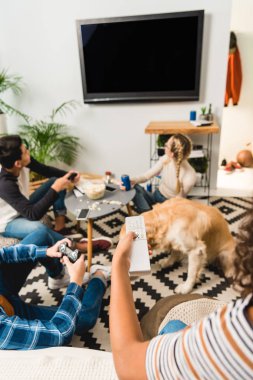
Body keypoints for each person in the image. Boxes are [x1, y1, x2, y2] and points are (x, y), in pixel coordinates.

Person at [110, 211, 253, 380]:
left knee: (168, 324)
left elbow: (126, 364)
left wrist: (119, 264)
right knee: (176, 327)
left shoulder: (239, 329)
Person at [0, 135, 112, 256]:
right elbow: (32, 214)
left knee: (55, 180)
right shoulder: (5, 184)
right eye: (26, 151)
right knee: (39, 229)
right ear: (17, 163)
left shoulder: (22, 162)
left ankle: (60, 228)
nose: (28, 152)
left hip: (23, 204)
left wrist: (69, 175)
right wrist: (56, 188)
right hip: (8, 221)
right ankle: (76, 247)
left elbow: (45, 170)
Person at [0, 232, 111, 350]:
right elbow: (60, 331)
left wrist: (47, 252)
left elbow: (3, 254)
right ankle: (99, 276)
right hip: (11, 312)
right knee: (83, 317)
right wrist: (75, 282)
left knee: (41, 236)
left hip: (3, 291)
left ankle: (58, 276)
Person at [124, 134, 197, 214]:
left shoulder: (190, 176)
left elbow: (177, 203)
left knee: (155, 216)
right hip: (156, 195)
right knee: (134, 187)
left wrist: (159, 208)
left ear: (172, 154)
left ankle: (148, 214)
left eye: (166, 145)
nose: (164, 146)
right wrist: (132, 181)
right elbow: (146, 176)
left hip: (169, 206)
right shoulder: (166, 158)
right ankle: (148, 213)